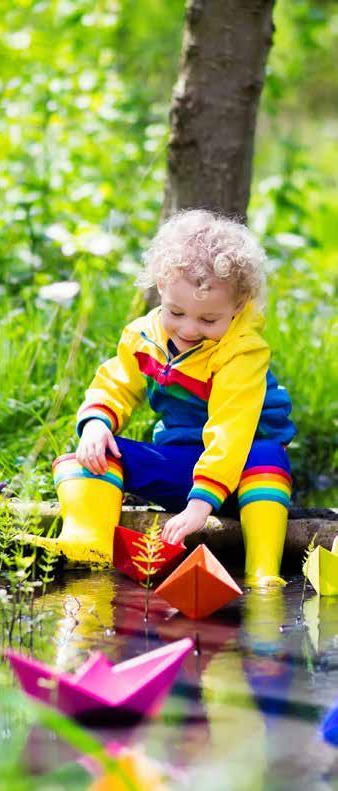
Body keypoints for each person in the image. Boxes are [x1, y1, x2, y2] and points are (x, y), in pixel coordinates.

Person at [52, 210, 296, 586]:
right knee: (96, 451)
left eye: (208, 320)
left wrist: (200, 506)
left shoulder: (242, 352)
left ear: (239, 304)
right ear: (161, 287)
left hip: (242, 478)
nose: (188, 329)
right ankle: (87, 547)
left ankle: (262, 572)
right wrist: (98, 423)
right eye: (176, 312)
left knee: (267, 453)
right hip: (183, 467)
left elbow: (231, 432)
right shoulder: (142, 336)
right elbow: (117, 382)